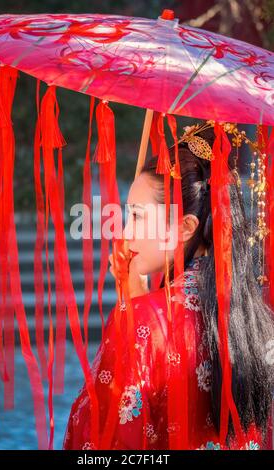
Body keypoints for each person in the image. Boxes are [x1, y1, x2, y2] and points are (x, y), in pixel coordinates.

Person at [63, 128, 274, 450]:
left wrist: (132, 313)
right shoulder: (253, 314)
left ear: (186, 227)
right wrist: (135, 299)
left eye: (136, 215)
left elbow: (101, 437)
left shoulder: (144, 321)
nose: (124, 231)